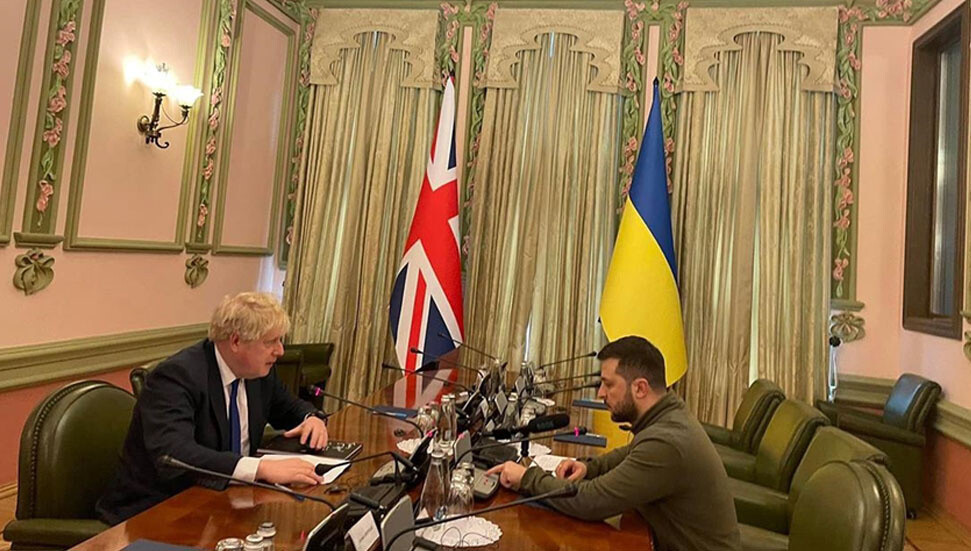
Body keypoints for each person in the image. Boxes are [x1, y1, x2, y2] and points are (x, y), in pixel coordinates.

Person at [486, 336, 740, 551]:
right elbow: (630, 453)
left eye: (608, 384)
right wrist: (589, 467)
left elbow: (591, 502)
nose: (601, 393)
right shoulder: (668, 415)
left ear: (640, 388)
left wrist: (526, 478)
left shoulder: (666, 444)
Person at [97, 292, 329, 524]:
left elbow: (289, 408)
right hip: (159, 509)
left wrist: (311, 418)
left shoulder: (257, 372)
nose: (280, 351)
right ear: (236, 341)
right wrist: (260, 469)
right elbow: (174, 454)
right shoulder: (177, 376)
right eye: (270, 342)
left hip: (227, 501)